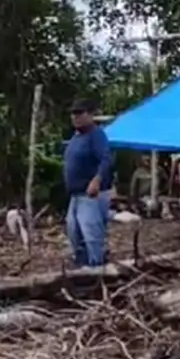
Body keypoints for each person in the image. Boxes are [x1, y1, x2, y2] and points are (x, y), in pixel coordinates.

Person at [63, 100, 114, 267]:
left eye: (80, 113)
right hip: (76, 195)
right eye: (73, 113)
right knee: (74, 233)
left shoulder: (96, 134)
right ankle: (81, 267)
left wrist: (97, 179)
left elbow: (106, 159)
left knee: (91, 234)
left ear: (90, 115)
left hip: (90, 195)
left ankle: (96, 268)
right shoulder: (76, 137)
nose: (75, 117)